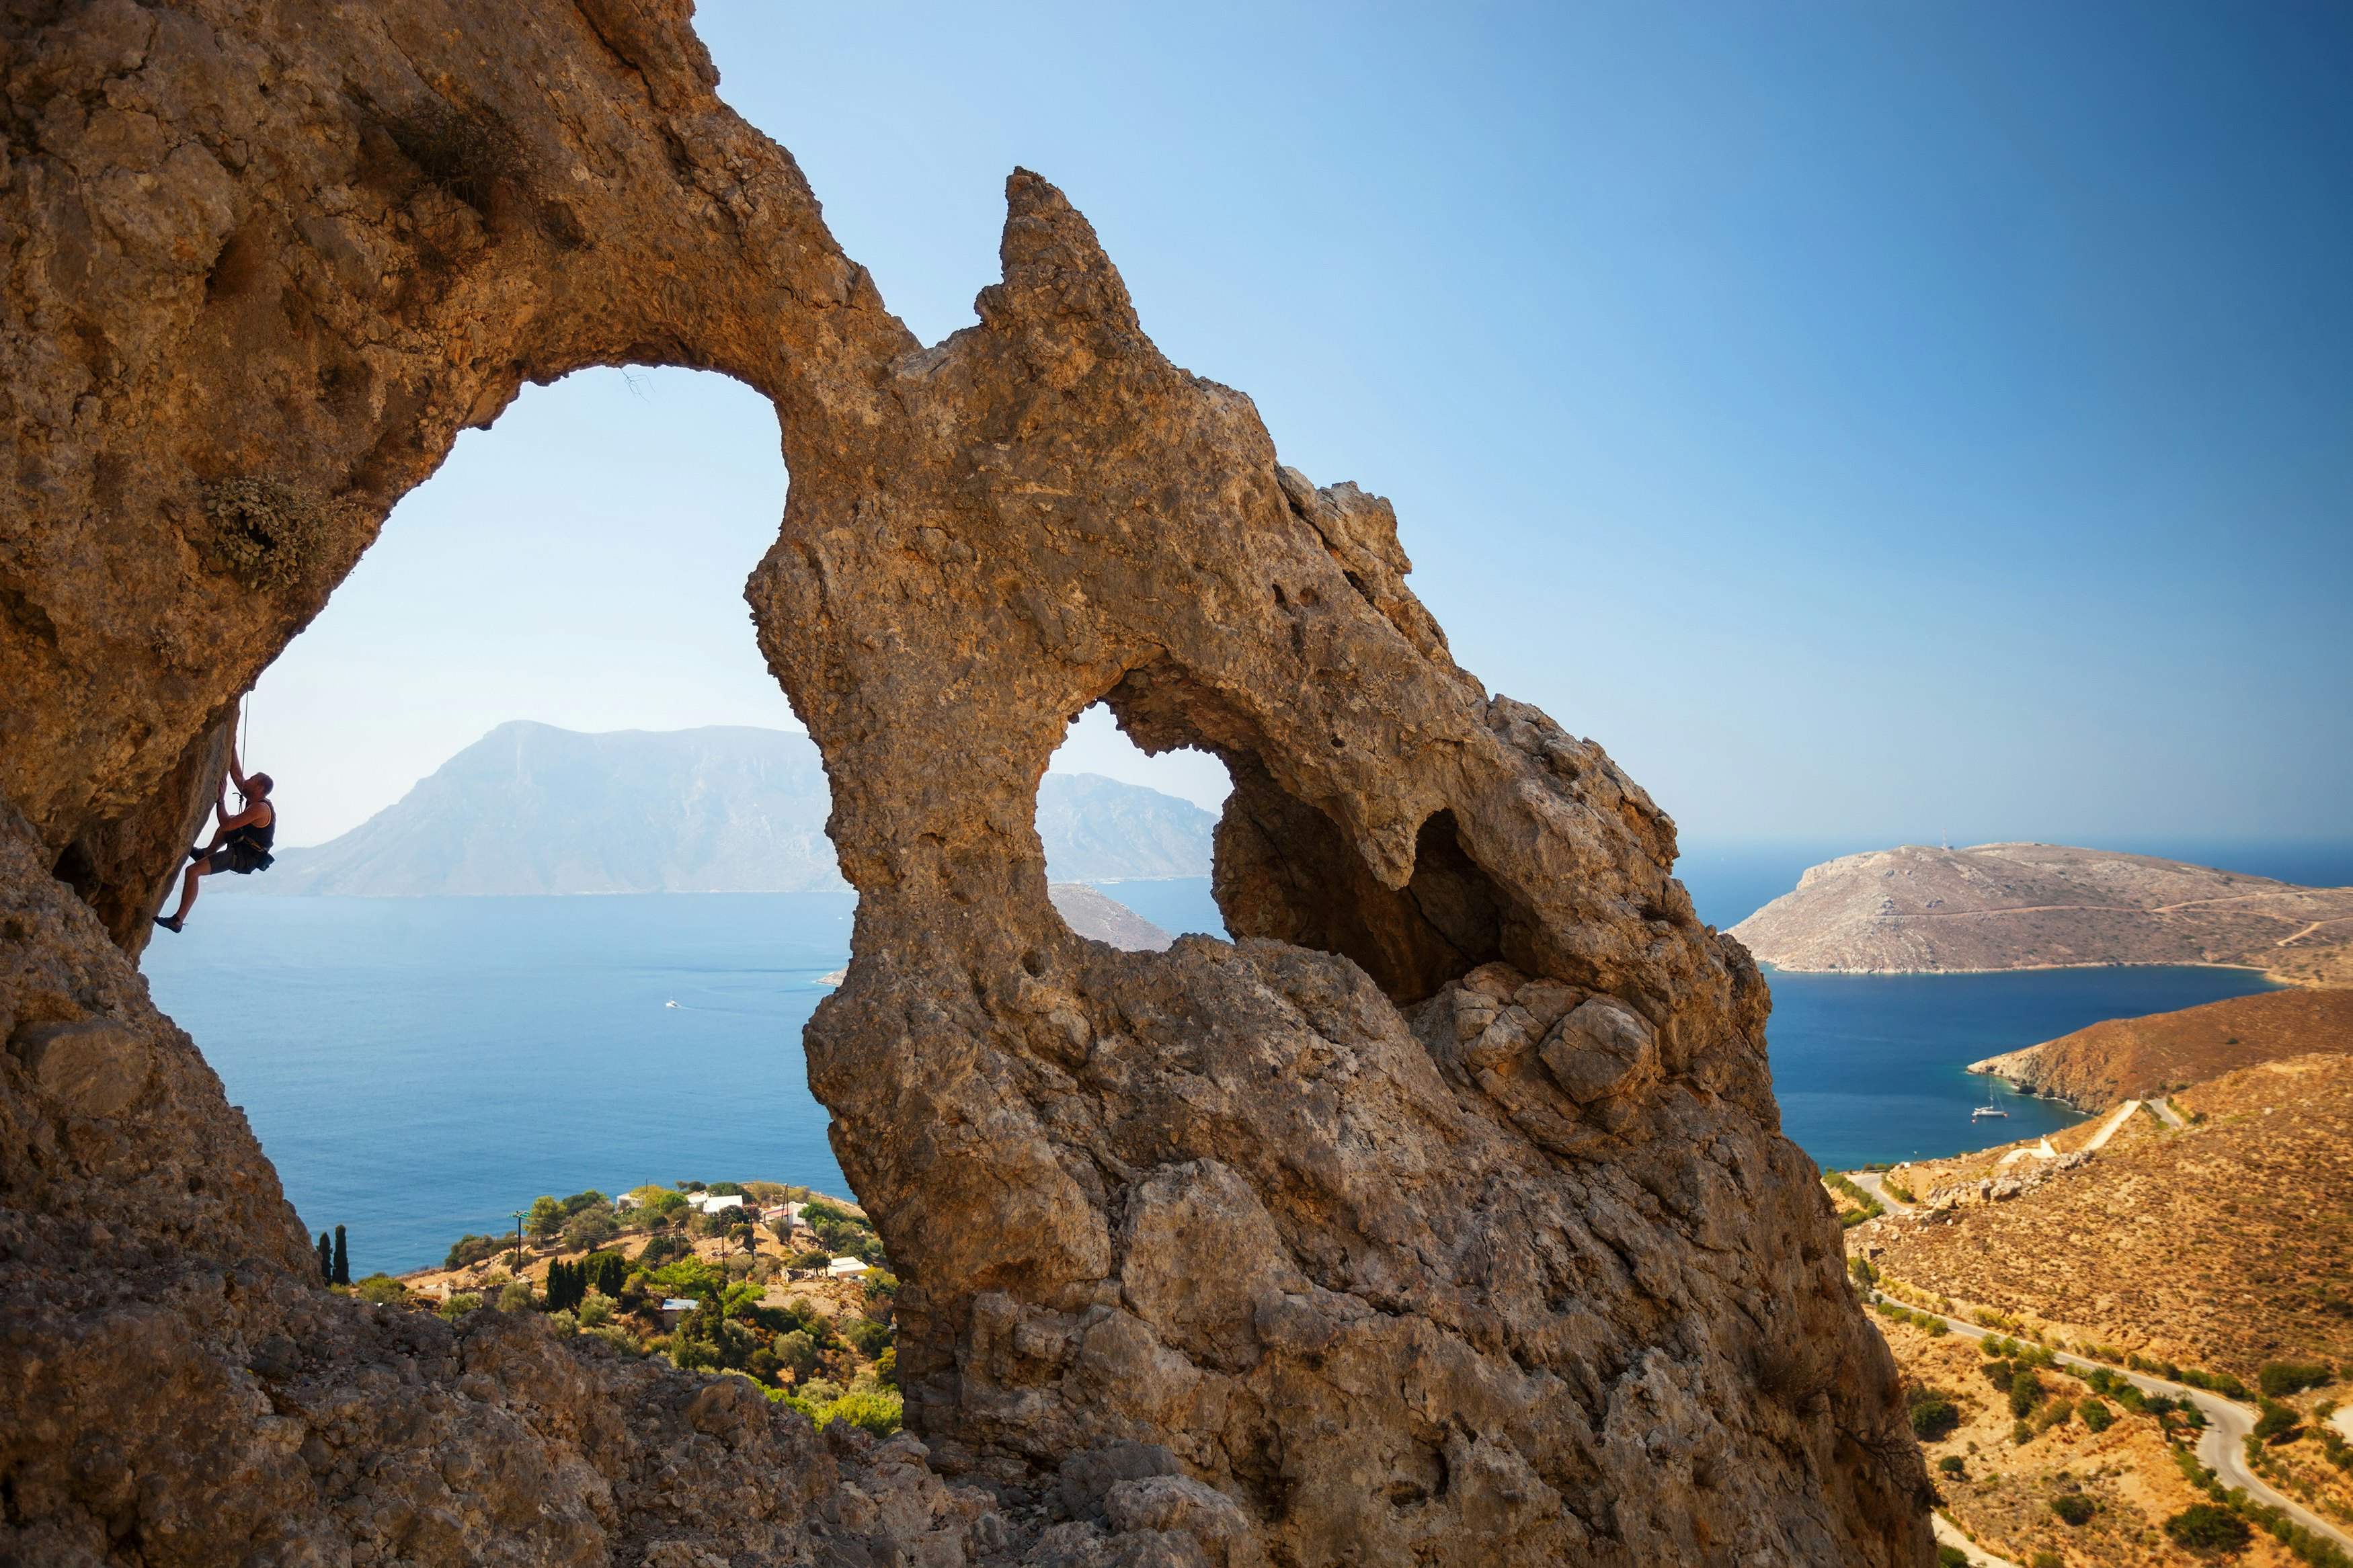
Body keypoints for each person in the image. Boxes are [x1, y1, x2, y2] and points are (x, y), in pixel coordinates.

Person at [154, 734, 275, 933]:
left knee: (193, 872)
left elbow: (227, 824)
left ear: (260, 788)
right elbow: (237, 775)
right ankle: (207, 852)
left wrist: (221, 800)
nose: (248, 780)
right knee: (232, 824)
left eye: (253, 779)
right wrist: (232, 745)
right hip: (243, 846)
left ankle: (178, 920)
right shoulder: (253, 799)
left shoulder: (260, 809)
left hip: (245, 857)